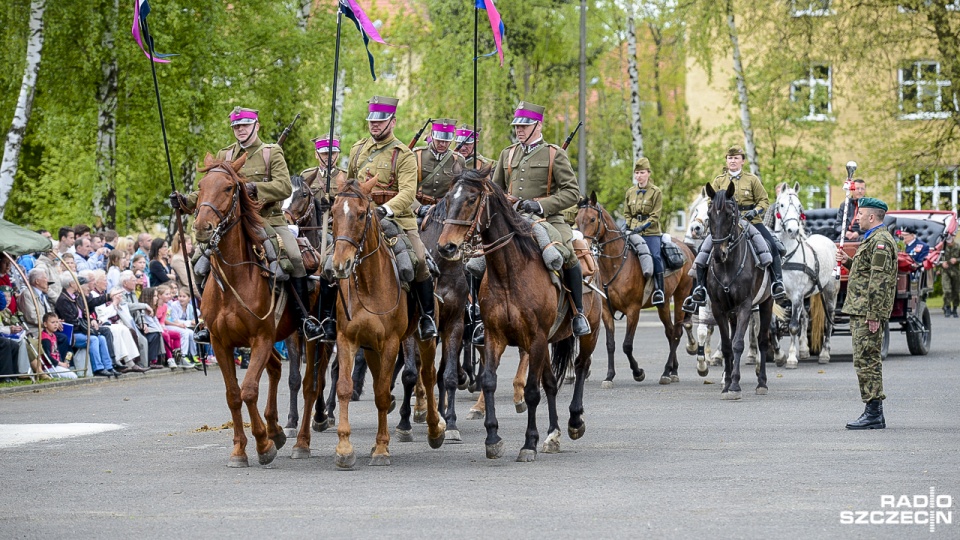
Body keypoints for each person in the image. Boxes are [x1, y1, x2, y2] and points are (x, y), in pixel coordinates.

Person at [171, 106, 322, 342]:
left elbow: (283, 187)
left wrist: (254, 188)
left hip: (268, 219)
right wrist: (185, 201)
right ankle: (205, 320)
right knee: (199, 260)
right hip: (232, 223)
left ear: (256, 126)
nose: (240, 130)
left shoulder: (271, 153)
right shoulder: (226, 154)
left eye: (245, 126)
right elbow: (211, 189)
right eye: (236, 126)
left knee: (294, 257)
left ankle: (304, 319)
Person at [490, 100, 591, 337]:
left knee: (566, 252)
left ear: (537, 125)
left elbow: (572, 192)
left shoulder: (555, 154)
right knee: (480, 259)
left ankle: (578, 313)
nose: (519, 130)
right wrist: (506, 202)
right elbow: (495, 191)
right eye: (517, 126)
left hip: (549, 219)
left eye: (524, 126)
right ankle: (480, 314)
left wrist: (539, 205)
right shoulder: (507, 153)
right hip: (513, 219)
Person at [344, 95, 438, 339]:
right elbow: (350, 184)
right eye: (372, 121)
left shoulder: (403, 154)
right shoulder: (357, 150)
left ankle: (427, 317)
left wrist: (387, 209)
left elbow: (408, 192)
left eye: (381, 121)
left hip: (396, 220)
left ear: (392, 122)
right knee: (330, 260)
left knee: (418, 260)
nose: (375, 125)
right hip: (361, 220)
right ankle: (327, 318)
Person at [684, 145, 785, 312]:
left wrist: (755, 211)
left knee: (770, 244)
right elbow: (712, 203)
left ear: (742, 161)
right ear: (726, 160)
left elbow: (764, 201)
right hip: (725, 224)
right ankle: (699, 289)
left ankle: (777, 284)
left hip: (750, 220)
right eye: (730, 158)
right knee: (703, 250)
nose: (733, 161)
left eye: (736, 158)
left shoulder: (752, 180)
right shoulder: (718, 181)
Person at [835, 197, 897, 430]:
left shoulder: (880, 242)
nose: (856, 218)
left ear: (872, 217)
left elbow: (879, 281)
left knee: (867, 361)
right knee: (865, 360)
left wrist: (873, 314)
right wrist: (849, 262)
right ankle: (873, 412)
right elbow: (866, 271)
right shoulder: (872, 239)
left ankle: (873, 413)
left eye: (859, 214)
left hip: (866, 312)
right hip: (860, 309)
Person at [300, 136, 343, 341]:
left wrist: (333, 205)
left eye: (333, 153)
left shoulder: (344, 177)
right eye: (325, 153)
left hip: (334, 230)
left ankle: (329, 317)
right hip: (310, 230)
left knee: (331, 266)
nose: (329, 157)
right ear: (317, 155)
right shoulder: (307, 176)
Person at [54, 274, 119, 378]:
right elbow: (71, 321)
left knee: (101, 338)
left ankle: (109, 366)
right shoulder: (63, 300)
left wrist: (91, 319)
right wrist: (88, 327)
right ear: (71, 284)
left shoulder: (77, 297)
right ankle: (98, 368)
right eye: (76, 281)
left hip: (82, 329)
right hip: (73, 333)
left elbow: (88, 308)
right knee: (93, 339)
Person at [623, 157, 665, 305]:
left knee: (655, 256)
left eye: (642, 172)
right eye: (637, 173)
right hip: (633, 231)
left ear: (648, 173)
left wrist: (643, 226)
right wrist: (633, 225)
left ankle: (660, 290)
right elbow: (627, 214)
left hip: (651, 232)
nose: (639, 176)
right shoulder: (630, 192)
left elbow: (656, 215)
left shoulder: (656, 192)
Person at [413, 118, 466, 209]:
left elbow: (461, 191)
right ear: (432, 135)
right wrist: (418, 209)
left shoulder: (459, 160)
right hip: (418, 209)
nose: (443, 144)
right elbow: (405, 188)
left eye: (446, 141)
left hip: (445, 211)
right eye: (439, 140)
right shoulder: (417, 155)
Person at [39, 313, 78, 380]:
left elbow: (56, 352)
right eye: (53, 322)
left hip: (56, 365)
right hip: (49, 367)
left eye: (57, 322)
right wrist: (61, 364)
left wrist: (65, 362)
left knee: (69, 350)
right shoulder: (45, 338)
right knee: (73, 376)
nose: (56, 324)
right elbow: (47, 357)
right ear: (45, 324)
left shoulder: (53, 335)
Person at [169, 232, 199, 298]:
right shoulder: (177, 260)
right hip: (187, 296)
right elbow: (188, 282)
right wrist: (201, 296)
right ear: (181, 245)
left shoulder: (186, 257)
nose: (191, 246)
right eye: (189, 244)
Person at [939, 234, 960, 317]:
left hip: (955, 272)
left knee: (956, 291)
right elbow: (936, 258)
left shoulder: (958, 247)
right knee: (947, 290)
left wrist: (957, 260)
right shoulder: (942, 247)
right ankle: (947, 307)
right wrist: (941, 264)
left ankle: (954, 308)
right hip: (945, 272)